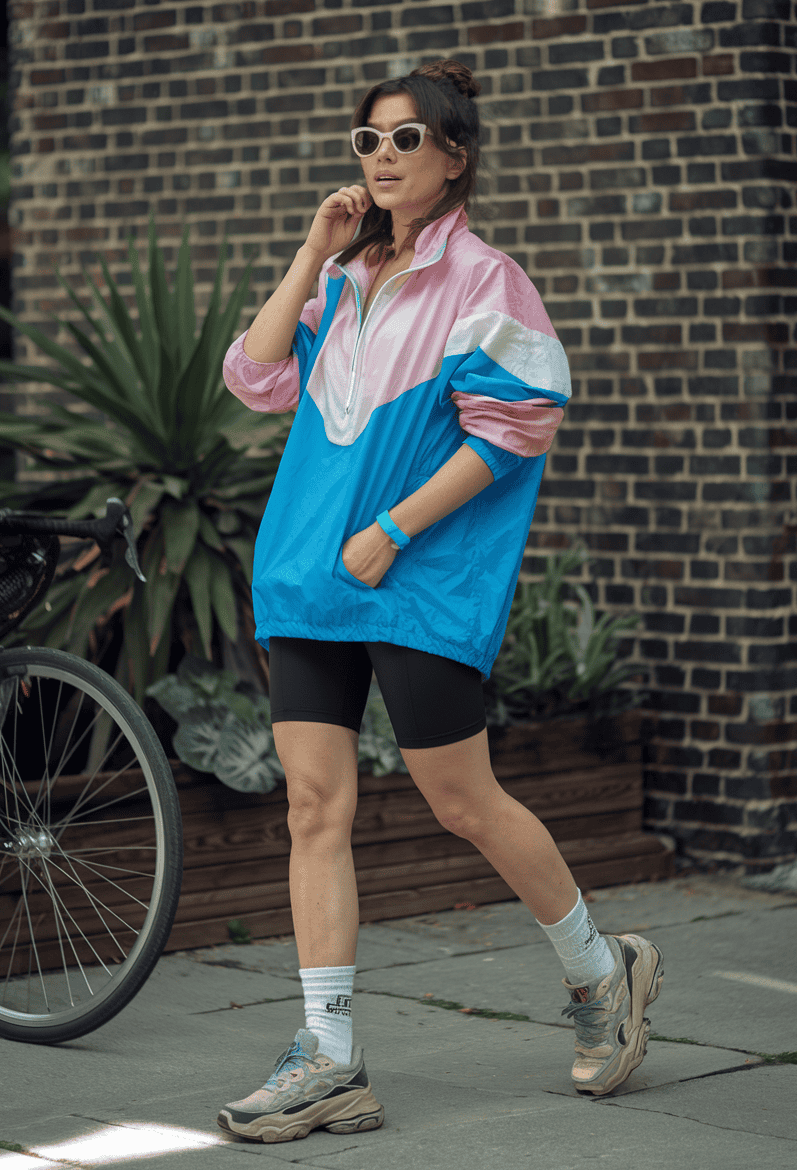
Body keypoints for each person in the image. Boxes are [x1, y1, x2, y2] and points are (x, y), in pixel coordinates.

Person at [218, 59, 664, 1144]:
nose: (379, 158)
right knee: (313, 808)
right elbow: (255, 377)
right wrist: (310, 251)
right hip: (308, 575)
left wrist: (393, 532)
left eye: (403, 139)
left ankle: (600, 970)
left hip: (415, 578)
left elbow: (518, 421)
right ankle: (327, 1056)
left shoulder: (483, 282)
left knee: (459, 800)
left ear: (453, 158)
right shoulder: (337, 280)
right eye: (366, 140)